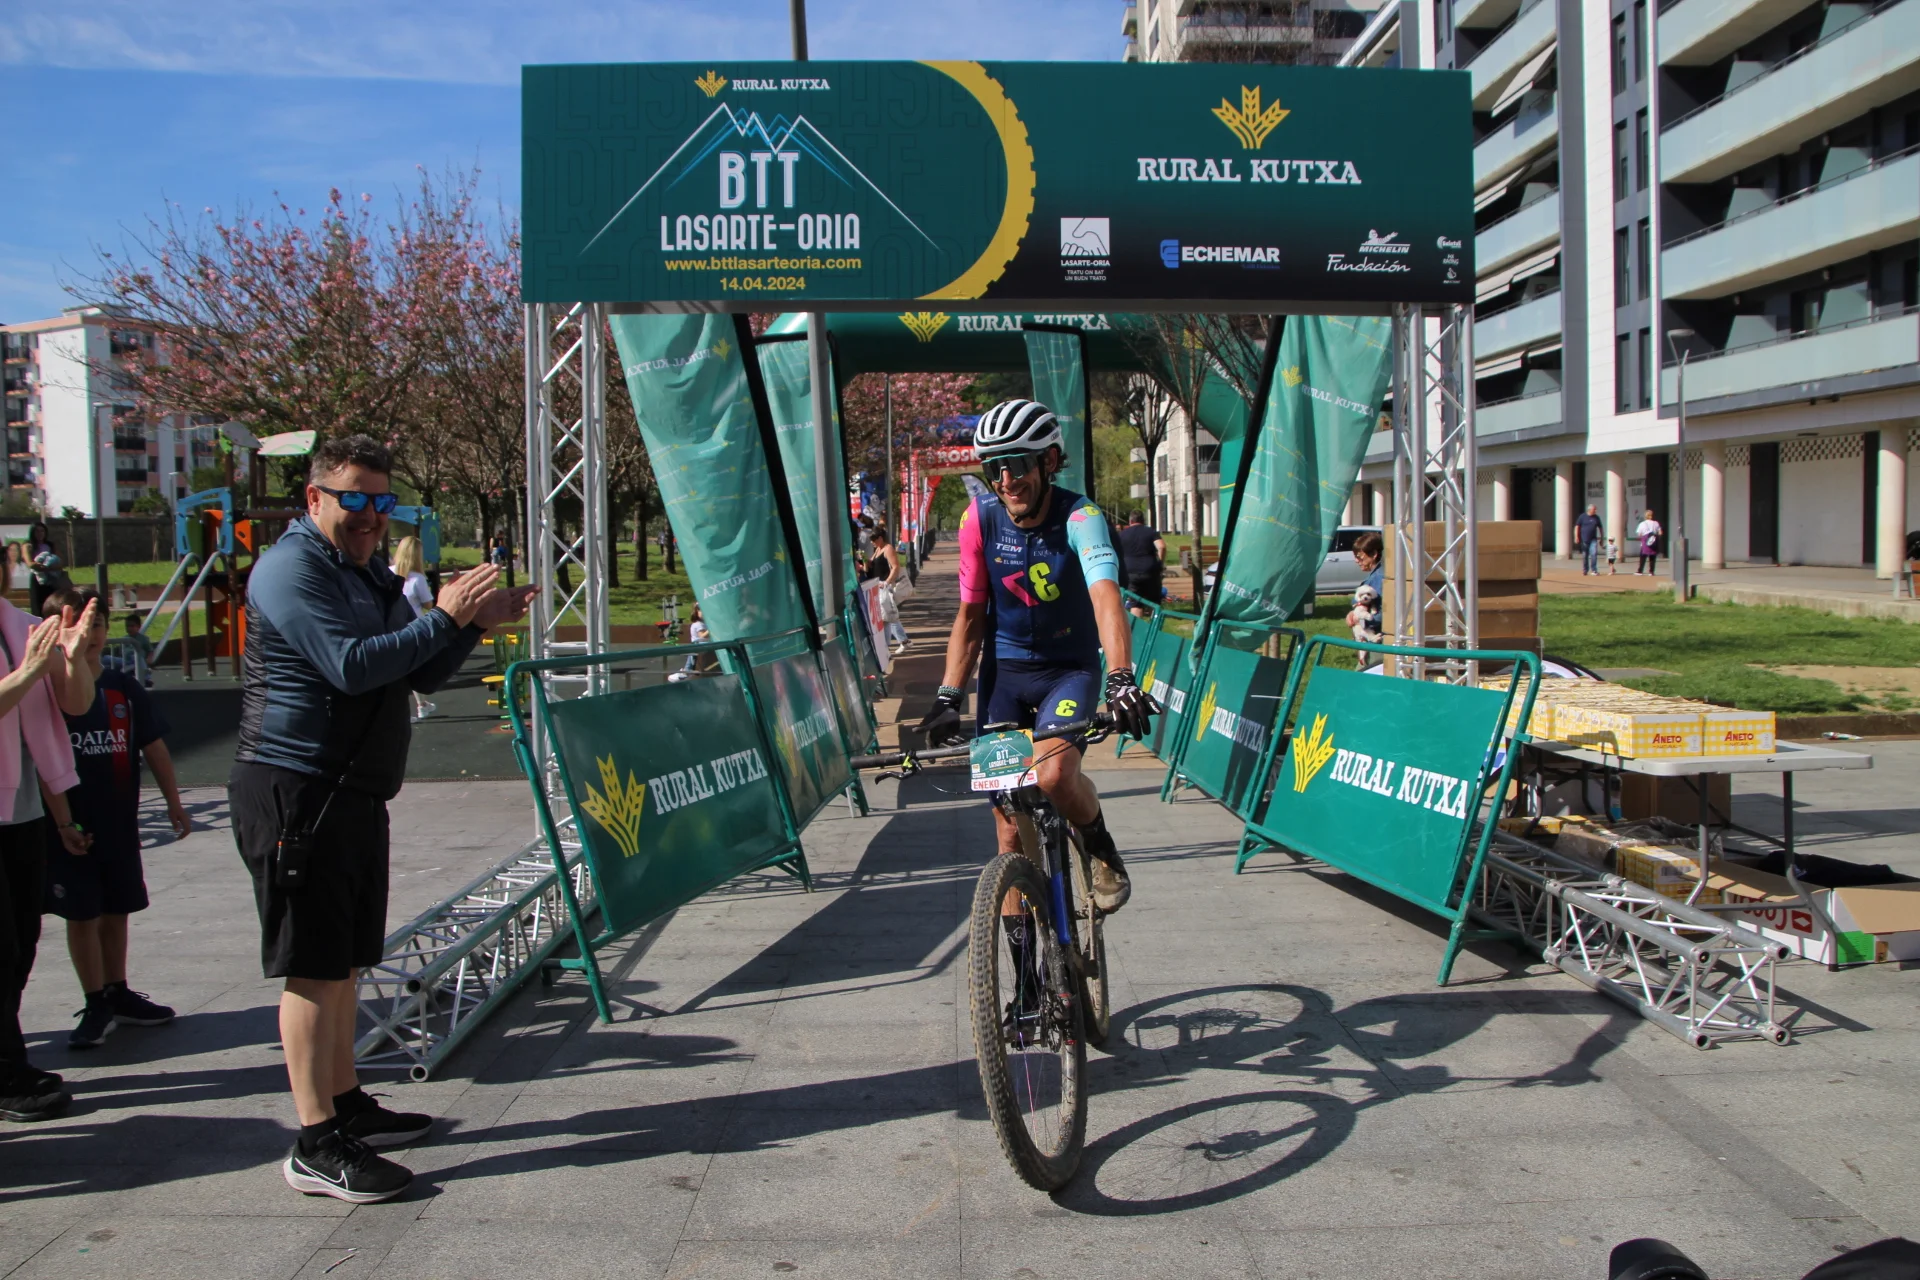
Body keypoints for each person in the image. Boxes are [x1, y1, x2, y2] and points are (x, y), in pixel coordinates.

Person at [229, 435, 532, 1202]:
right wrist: (443, 616)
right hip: (296, 789)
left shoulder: (365, 571)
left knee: (345, 961)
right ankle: (314, 1142)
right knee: (313, 967)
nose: (370, 516)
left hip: (353, 793)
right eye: (354, 498)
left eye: (382, 501)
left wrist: (471, 624)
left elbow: (413, 669)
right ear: (314, 498)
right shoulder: (290, 570)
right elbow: (351, 666)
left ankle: (345, 1102)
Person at [918, 399, 1159, 920]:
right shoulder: (978, 519)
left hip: (1068, 670)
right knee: (1008, 830)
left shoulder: (1082, 517)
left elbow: (1106, 599)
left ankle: (1098, 842)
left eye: (1017, 463)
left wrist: (1121, 678)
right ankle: (1022, 962)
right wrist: (947, 695)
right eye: (994, 467)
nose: (1006, 480)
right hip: (1006, 674)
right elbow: (970, 616)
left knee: (1052, 775)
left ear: (1048, 461)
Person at [39, 588, 192, 1051]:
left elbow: (154, 747)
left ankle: (117, 990)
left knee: (116, 908)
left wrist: (173, 802)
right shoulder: (47, 691)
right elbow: (44, 763)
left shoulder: (123, 688)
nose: (89, 636)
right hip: (72, 826)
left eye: (96, 626)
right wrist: (63, 822)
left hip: (118, 821)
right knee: (82, 912)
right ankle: (94, 1002)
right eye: (76, 627)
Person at [0, 594, 99, 1122]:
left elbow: (77, 704)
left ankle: (6, 1060)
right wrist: (27, 673)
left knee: (21, 943)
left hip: (21, 812)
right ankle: (6, 1071)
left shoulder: (25, 627)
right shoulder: (29, 643)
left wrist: (74, 658)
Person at [392, 537, 436, 723]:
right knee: (414, 668)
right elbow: (428, 604)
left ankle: (421, 705)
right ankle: (412, 709)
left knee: (401, 669)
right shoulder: (417, 579)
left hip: (392, 627)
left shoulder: (388, 572)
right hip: (414, 628)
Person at [866, 523, 910, 654]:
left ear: (880, 538)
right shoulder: (878, 550)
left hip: (885, 586)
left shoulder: (888, 549)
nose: (872, 543)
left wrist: (887, 582)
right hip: (878, 585)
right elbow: (872, 566)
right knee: (884, 617)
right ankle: (888, 646)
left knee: (888, 615)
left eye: (874, 540)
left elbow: (895, 567)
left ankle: (901, 642)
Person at [1116, 512, 1166, 618]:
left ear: (1130, 521)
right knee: (1154, 602)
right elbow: (1161, 547)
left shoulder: (1122, 534)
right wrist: (1160, 563)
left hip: (1130, 571)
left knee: (1135, 603)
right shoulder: (1150, 531)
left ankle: (1136, 626)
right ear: (1143, 521)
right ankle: (1154, 624)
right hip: (1150, 571)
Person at [668, 606, 709, 682]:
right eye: (701, 611)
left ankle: (688, 671)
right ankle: (686, 670)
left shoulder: (703, 623)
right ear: (697, 613)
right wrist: (710, 629)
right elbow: (702, 635)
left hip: (703, 644)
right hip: (699, 644)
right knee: (693, 654)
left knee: (694, 655)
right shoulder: (698, 624)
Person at [1576, 504, 1604, 576]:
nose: (1595, 511)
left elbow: (1600, 528)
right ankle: (1585, 570)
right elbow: (1577, 527)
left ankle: (1594, 570)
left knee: (1594, 554)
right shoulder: (1582, 517)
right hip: (1584, 539)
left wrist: (1602, 538)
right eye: (1594, 509)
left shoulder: (1596, 518)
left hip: (1593, 539)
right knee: (1585, 555)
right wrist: (1576, 536)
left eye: (1595, 509)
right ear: (1589, 510)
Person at [1636, 509, 1663, 575]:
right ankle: (1651, 571)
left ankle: (1640, 571)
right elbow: (1660, 533)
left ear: (1645, 516)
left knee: (1643, 556)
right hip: (1653, 541)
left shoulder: (1642, 524)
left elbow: (1639, 534)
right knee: (1652, 557)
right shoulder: (1656, 523)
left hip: (1645, 542)